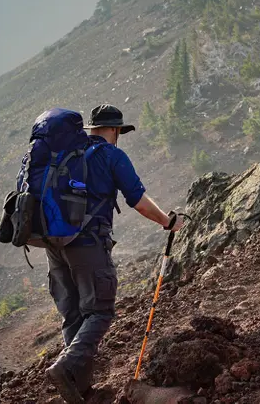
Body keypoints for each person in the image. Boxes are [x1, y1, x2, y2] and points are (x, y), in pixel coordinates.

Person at [44, 104, 185, 404]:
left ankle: (80, 392)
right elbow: (139, 200)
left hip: (54, 246)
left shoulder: (66, 155)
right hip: (88, 244)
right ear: (115, 130)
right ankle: (65, 368)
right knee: (99, 312)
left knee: (74, 315)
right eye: (119, 131)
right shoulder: (111, 156)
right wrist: (168, 221)